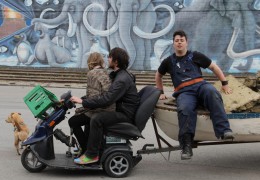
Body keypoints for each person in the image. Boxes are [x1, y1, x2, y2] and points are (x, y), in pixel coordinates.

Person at [155, 30, 235, 160]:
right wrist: (160, 92)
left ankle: (224, 131)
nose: (179, 43)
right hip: (184, 92)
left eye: (182, 40)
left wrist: (224, 83)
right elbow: (158, 75)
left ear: (187, 42)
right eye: (177, 41)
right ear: (173, 44)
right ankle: (186, 146)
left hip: (201, 86)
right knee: (185, 109)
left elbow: (214, 67)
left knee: (212, 93)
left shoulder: (195, 55)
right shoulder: (168, 61)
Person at [70, 47, 140, 165]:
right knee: (84, 118)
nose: (107, 60)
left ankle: (92, 155)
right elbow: (103, 95)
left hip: (124, 113)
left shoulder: (122, 79)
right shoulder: (118, 75)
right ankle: (88, 148)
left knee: (97, 118)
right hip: (121, 108)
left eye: (109, 57)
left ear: (116, 61)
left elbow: (107, 99)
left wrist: (83, 102)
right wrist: (82, 100)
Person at [68, 52, 115, 155]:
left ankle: (85, 148)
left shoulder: (92, 73)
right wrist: (81, 99)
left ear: (90, 61)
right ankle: (87, 146)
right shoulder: (105, 72)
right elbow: (98, 93)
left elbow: (93, 95)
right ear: (101, 61)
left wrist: (82, 102)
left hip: (99, 110)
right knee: (85, 120)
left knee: (73, 121)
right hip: (108, 108)